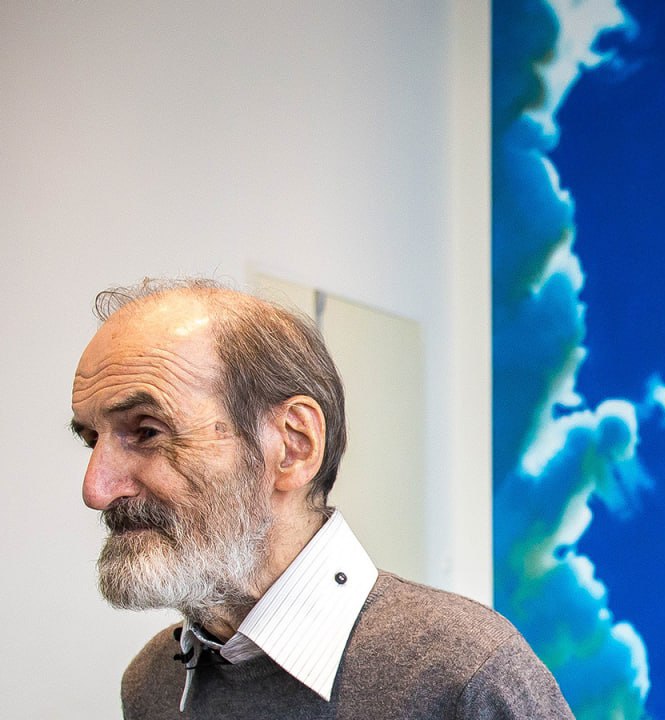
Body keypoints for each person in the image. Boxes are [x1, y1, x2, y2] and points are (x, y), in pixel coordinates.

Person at [69, 278, 574, 719]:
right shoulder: (154, 683)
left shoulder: (466, 675)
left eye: (148, 431)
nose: (96, 489)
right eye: (92, 440)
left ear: (293, 445)